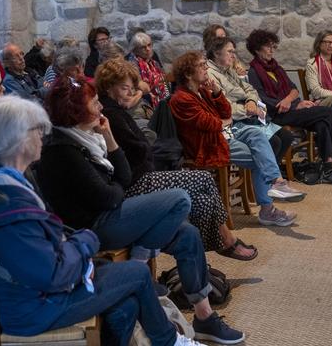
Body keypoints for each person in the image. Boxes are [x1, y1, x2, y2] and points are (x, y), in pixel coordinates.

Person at [0, 96, 208, 346]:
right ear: (16, 139)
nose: (42, 136)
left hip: (35, 295)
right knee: (137, 273)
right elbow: (50, 273)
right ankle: (170, 341)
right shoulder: (4, 203)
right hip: (34, 308)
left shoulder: (0, 182)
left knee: (125, 305)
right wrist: (85, 242)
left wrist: (79, 248)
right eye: (37, 129)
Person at [38, 77, 245, 345]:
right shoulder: (63, 150)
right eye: (95, 102)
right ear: (76, 112)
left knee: (187, 233)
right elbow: (110, 196)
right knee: (180, 199)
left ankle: (204, 318)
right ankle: (140, 261)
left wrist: (111, 140)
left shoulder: (89, 138)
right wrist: (117, 187)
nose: (101, 108)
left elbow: (122, 179)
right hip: (92, 228)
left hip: (112, 213)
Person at [96, 59, 257, 260]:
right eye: (124, 88)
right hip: (136, 182)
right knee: (204, 179)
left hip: (145, 174)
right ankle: (226, 241)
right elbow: (141, 151)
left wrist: (216, 94)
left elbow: (223, 115)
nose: (130, 92)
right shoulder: (112, 114)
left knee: (203, 200)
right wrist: (146, 146)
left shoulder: (119, 110)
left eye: (131, 88)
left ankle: (208, 253)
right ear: (109, 88)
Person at [169, 51, 297, 227]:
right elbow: (211, 124)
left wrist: (216, 92)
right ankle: (268, 209)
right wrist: (223, 122)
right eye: (202, 65)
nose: (206, 68)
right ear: (188, 74)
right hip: (208, 144)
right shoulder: (181, 99)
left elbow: (226, 113)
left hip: (223, 134)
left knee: (257, 134)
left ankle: (277, 182)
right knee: (261, 156)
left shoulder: (203, 91)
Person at [245, 30, 332, 185]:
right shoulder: (254, 72)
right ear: (257, 49)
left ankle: (328, 168)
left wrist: (294, 102)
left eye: (273, 47)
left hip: (291, 108)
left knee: (323, 123)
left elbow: (294, 89)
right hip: (277, 114)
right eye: (268, 47)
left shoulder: (276, 67)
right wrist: (290, 104)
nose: (272, 50)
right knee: (328, 112)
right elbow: (262, 99)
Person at [205, 37, 303, 200]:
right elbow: (224, 107)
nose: (233, 56)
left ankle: (269, 184)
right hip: (235, 122)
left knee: (285, 136)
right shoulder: (211, 75)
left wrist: (251, 101)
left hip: (247, 115)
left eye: (234, 52)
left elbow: (250, 89)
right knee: (273, 143)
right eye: (230, 52)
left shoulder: (227, 69)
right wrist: (249, 110)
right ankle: (268, 187)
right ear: (216, 53)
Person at [126, 32, 169, 109]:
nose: (148, 49)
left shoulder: (154, 63)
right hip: (143, 102)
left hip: (161, 99)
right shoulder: (131, 64)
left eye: (149, 45)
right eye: (143, 47)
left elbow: (164, 81)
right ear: (135, 49)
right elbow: (143, 88)